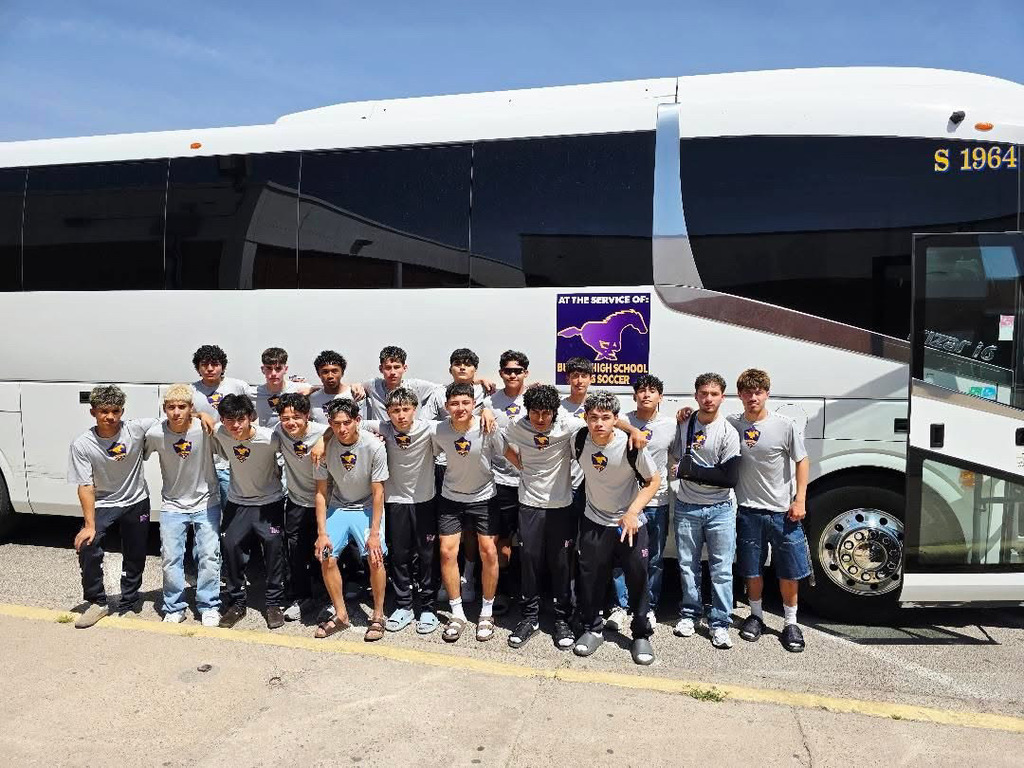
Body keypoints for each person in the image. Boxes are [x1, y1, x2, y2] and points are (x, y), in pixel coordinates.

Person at [503, 384, 647, 650]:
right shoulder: (516, 426)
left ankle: (561, 618)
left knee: (561, 564)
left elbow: (604, 418)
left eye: (547, 413)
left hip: (562, 505)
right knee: (529, 562)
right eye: (535, 412)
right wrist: (519, 464)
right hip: (528, 505)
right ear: (528, 411)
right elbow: (500, 442)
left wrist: (634, 430)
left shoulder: (568, 425)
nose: (541, 418)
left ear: (556, 413)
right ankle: (530, 617)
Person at [572, 391, 661, 666]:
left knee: (637, 579)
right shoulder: (578, 439)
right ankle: (592, 629)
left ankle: (640, 634)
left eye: (606, 418)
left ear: (615, 420)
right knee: (591, 578)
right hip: (594, 520)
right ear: (585, 418)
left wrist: (633, 512)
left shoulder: (630, 446)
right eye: (594, 417)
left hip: (629, 524)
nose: (599, 423)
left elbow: (653, 480)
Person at [727, 368, 810, 653]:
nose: (753, 397)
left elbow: (802, 460)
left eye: (758, 392)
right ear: (740, 395)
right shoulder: (732, 424)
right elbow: (705, 422)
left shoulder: (784, 425)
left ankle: (790, 623)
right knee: (751, 570)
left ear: (767, 394)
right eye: (747, 392)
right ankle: (756, 616)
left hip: (782, 512)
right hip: (748, 511)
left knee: (789, 571)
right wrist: (685, 414)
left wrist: (800, 500)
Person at [68, 385, 158, 629]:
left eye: (115, 411)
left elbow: (174, 418)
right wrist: (89, 525)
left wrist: (199, 415)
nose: (110, 416)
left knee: (135, 552)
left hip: (136, 500)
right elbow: (85, 486)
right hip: (105, 502)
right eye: (104, 411)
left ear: (122, 411)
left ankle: (129, 600)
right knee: (88, 544)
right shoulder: (82, 444)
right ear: (93, 413)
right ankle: (97, 602)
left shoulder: (136, 429)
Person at [431, 383, 506, 643]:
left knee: (489, 552)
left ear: (473, 403)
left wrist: (489, 410)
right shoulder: (438, 430)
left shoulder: (487, 426)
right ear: (446, 407)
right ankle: (457, 613)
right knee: (446, 551)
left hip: (485, 497)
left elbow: (506, 452)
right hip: (451, 497)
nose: (460, 408)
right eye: (454, 404)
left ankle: (486, 612)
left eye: (465, 402)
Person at [671, 373, 742, 649]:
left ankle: (720, 622)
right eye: (703, 393)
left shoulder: (728, 433)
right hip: (687, 507)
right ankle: (690, 614)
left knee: (722, 569)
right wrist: (688, 472)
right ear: (696, 395)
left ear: (723, 397)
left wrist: (690, 472)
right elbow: (677, 459)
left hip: (720, 509)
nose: (708, 398)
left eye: (714, 394)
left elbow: (729, 478)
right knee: (687, 566)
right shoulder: (685, 423)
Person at [364, 388, 441, 635]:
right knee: (399, 556)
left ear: (414, 409)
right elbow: (352, 424)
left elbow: (459, 424)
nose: (401, 415)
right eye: (395, 411)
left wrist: (489, 416)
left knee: (427, 556)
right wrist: (323, 440)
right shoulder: (383, 427)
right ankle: (404, 605)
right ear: (388, 413)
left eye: (406, 409)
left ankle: (428, 607)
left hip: (425, 501)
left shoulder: (429, 428)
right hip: (395, 502)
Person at [144, 384, 223, 626]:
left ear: (191, 409)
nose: (176, 412)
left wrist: (204, 415)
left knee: (209, 556)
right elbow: (139, 454)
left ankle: (209, 605)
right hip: (172, 505)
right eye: (171, 407)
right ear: (164, 409)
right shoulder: (155, 433)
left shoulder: (205, 428)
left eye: (182, 407)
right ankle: (174, 606)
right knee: (170, 559)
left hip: (206, 502)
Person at [313, 398, 390, 641]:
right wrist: (322, 532)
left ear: (357, 421)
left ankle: (378, 615)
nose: (342, 429)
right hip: (339, 506)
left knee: (375, 558)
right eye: (336, 424)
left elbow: (378, 492)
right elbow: (321, 492)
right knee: (326, 556)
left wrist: (375, 534)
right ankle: (341, 614)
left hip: (367, 507)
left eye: (347, 423)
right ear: (330, 424)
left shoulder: (374, 447)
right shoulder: (324, 448)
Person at [211, 394, 288, 630]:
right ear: (222, 420)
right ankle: (237, 602)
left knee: (274, 549)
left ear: (250, 418)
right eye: (229, 420)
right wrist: (202, 414)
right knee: (232, 547)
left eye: (240, 419)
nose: (235, 426)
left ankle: (274, 603)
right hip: (238, 503)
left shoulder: (270, 439)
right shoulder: (220, 432)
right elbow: (200, 420)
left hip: (270, 502)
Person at [608, 375, 675, 633]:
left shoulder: (671, 425)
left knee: (654, 558)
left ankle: (649, 607)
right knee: (620, 557)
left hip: (656, 501)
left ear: (661, 397)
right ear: (634, 395)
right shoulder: (620, 420)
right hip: (625, 501)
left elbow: (676, 456)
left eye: (652, 391)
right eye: (642, 390)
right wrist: (631, 429)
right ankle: (619, 607)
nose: (646, 395)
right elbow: (611, 420)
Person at [273, 393, 328, 622]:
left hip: (325, 501)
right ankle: (301, 598)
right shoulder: (280, 431)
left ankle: (328, 599)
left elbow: (340, 427)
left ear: (307, 416)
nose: (290, 422)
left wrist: (324, 439)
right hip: (296, 501)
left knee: (325, 553)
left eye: (296, 417)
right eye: (285, 418)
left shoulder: (321, 431)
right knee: (296, 553)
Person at [485, 350, 530, 614]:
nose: (512, 375)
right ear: (501, 373)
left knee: (527, 543)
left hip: (530, 482)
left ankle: (525, 593)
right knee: (502, 541)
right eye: (507, 370)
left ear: (526, 372)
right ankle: (502, 592)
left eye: (518, 370)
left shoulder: (534, 399)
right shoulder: (490, 403)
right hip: (500, 481)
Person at [190, 344, 250, 506]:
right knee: (205, 509)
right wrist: (199, 414)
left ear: (222, 366)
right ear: (198, 368)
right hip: (202, 461)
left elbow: (253, 415)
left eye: (215, 364)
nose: (210, 369)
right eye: (204, 364)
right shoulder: (191, 391)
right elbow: (179, 416)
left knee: (231, 506)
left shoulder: (238, 386)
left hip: (230, 459)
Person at [253, 347, 305, 429]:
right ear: (263, 369)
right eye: (269, 368)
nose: (273, 373)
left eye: (278, 369)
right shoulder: (253, 393)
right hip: (268, 440)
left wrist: (312, 390)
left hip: (291, 440)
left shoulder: (299, 389)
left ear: (285, 369)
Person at [309, 350, 362, 424]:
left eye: (334, 371)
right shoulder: (312, 399)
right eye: (325, 372)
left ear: (342, 373)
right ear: (319, 374)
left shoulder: (355, 395)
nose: (330, 376)